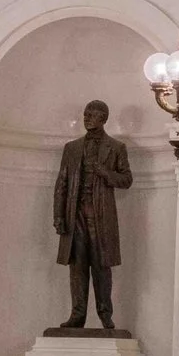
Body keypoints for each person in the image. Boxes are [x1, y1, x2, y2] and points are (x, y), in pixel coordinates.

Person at [53, 99, 133, 331]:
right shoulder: (72, 148)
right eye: (86, 114)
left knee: (101, 266)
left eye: (92, 114)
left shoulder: (116, 148)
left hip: (101, 218)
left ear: (103, 119)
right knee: (77, 267)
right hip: (74, 215)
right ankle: (77, 315)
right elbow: (62, 184)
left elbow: (126, 179)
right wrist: (58, 215)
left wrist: (105, 173)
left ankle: (105, 315)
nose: (87, 118)